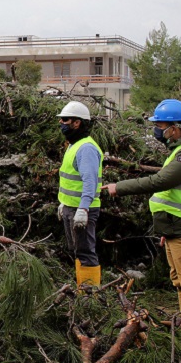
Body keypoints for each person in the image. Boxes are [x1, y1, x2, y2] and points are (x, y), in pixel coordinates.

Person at [102, 99, 181, 346]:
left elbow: (161, 182)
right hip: (176, 227)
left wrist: (118, 188)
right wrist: (166, 228)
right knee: (180, 281)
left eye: (160, 125)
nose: (157, 130)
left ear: (175, 127)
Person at [56, 101, 104, 287]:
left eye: (65, 120)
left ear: (77, 123)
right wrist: (64, 203)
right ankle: (81, 290)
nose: (61, 123)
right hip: (71, 207)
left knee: (85, 251)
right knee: (75, 250)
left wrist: (83, 208)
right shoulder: (73, 145)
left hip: (83, 210)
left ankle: (90, 294)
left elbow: (90, 182)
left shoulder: (86, 148)